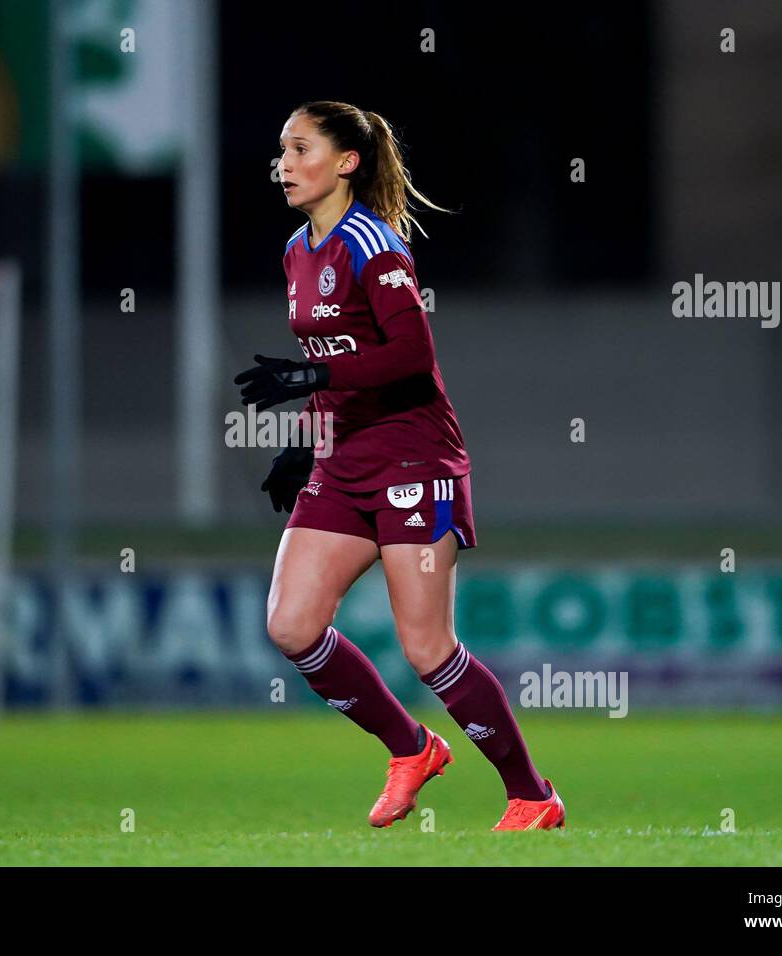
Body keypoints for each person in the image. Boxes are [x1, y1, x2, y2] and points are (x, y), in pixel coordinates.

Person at [234, 101, 565, 830]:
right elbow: (335, 359)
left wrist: (313, 382)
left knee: (426, 649)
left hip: (415, 460)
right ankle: (411, 748)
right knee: (291, 626)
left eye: (299, 149)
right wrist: (302, 447)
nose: (282, 164)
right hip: (343, 460)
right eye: (279, 152)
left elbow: (410, 355)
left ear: (346, 161)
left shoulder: (372, 244)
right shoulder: (298, 249)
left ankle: (533, 796)